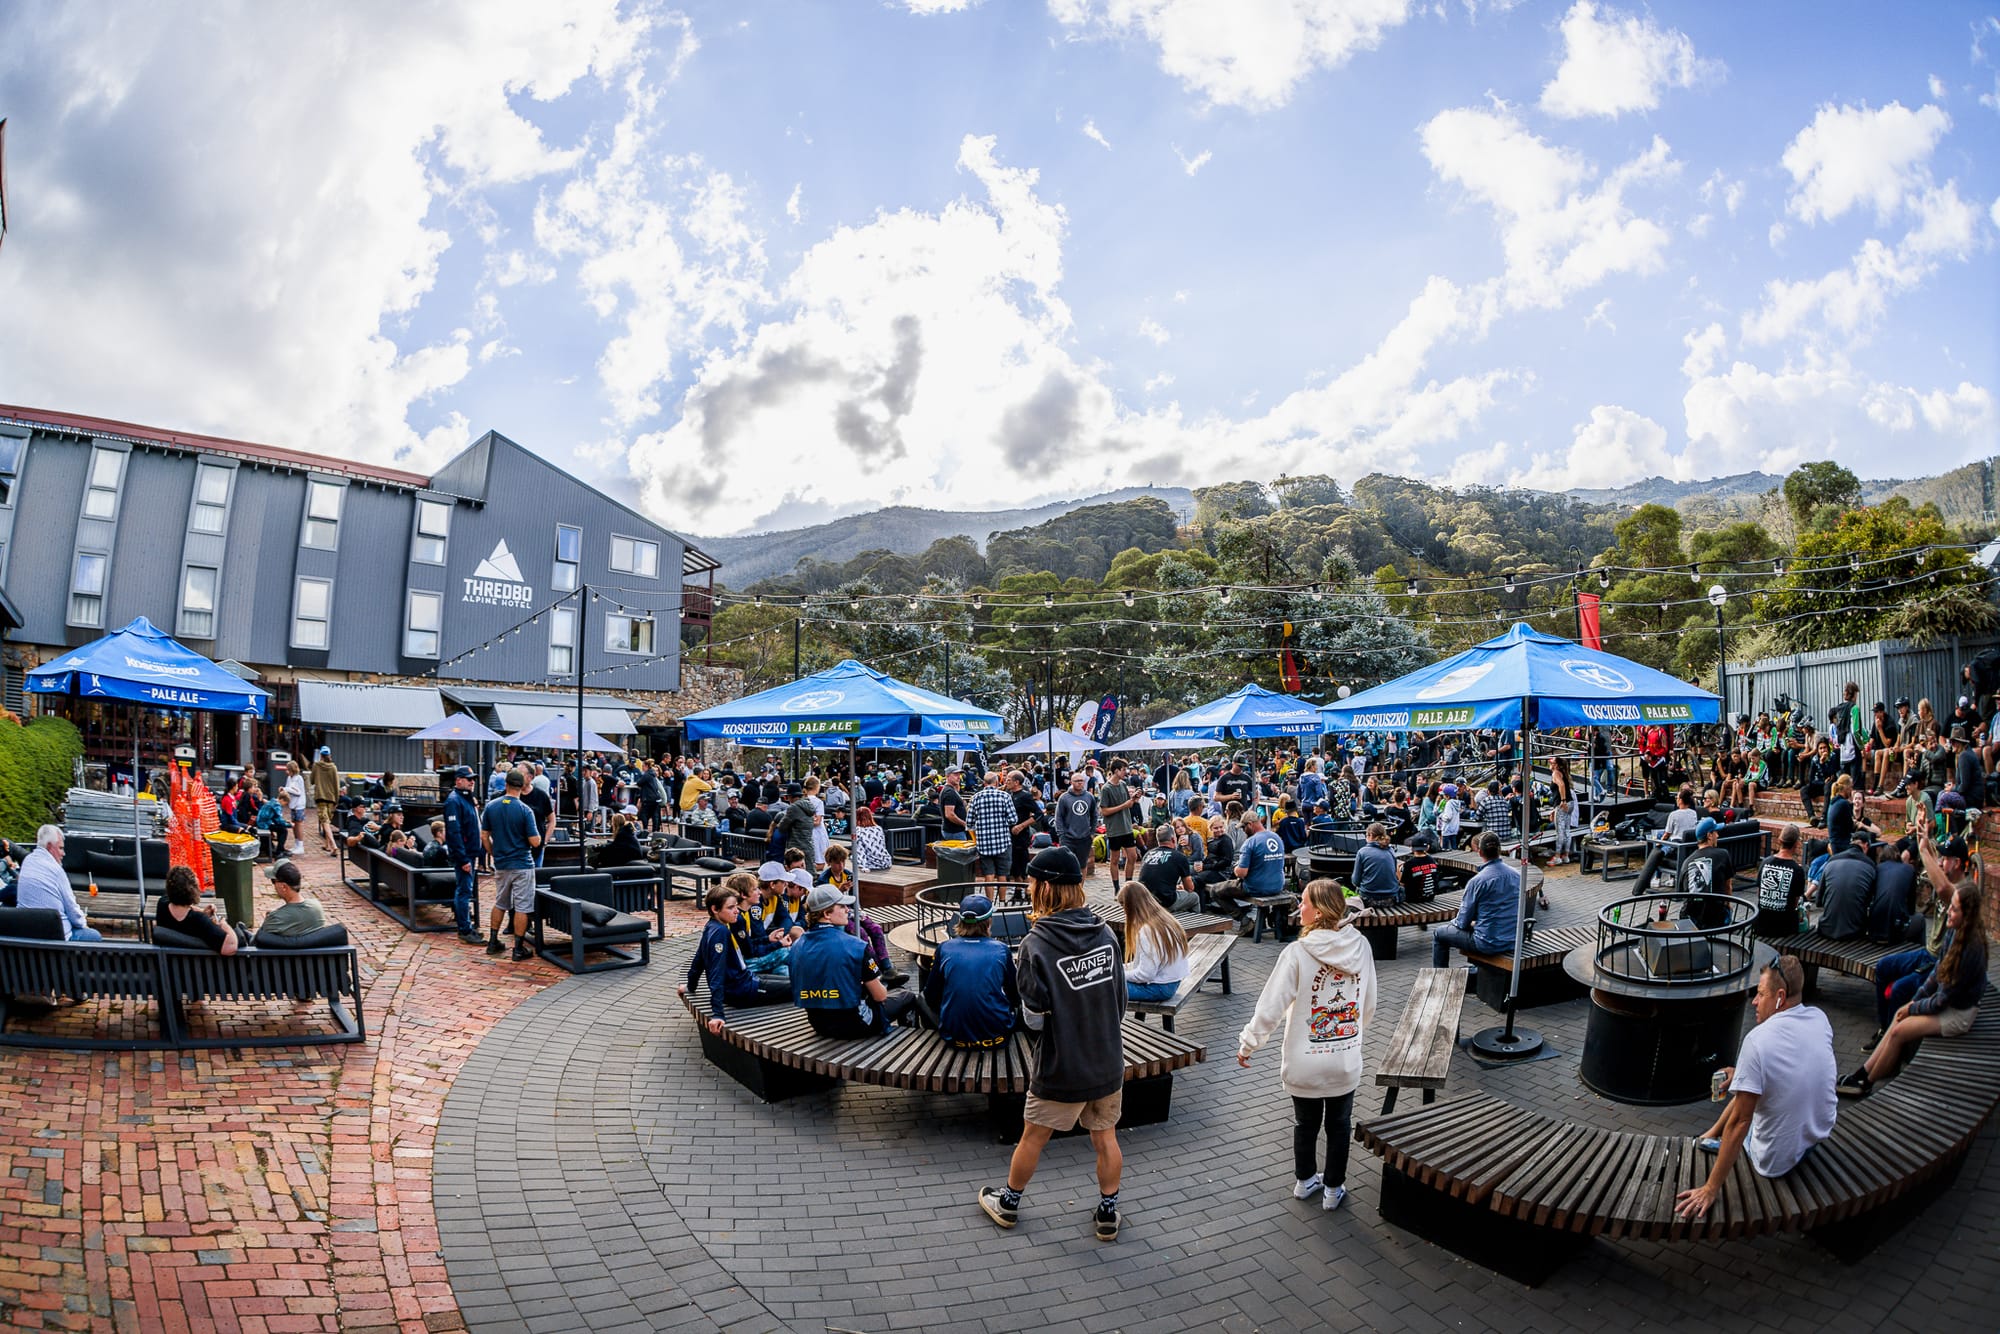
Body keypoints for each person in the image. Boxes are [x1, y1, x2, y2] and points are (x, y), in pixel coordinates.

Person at [977, 847, 1127, 1240]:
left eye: (1031, 882)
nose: (1028, 888)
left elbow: (1033, 1017)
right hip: (1107, 1058)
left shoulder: (1036, 944)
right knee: (1105, 1137)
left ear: (1045, 888)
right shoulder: (1106, 933)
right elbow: (1120, 1002)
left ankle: (1008, 1203)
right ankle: (1108, 1212)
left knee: (1033, 1136)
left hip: (1062, 1064)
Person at [1236, 877, 1377, 1211]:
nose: (1299, 907)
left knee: (1305, 1123)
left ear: (1320, 911)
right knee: (1339, 1125)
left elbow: (1271, 1007)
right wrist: (1351, 1036)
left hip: (1305, 1059)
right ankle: (1333, 1189)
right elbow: (1368, 1002)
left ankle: (1304, 1181)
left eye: (1304, 902)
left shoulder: (1297, 953)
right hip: (1344, 1058)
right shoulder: (1361, 947)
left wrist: (1248, 1043)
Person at [1674, 956, 1837, 1218]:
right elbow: (1790, 1067)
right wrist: (1741, 1073)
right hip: (1815, 1136)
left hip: (1776, 1159)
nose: (1754, 1002)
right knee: (1748, 1082)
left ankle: (1715, 1140)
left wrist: (1710, 1189)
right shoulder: (1819, 1018)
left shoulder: (1757, 1040)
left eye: (1761, 994)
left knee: (1745, 1102)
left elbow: (1740, 1122)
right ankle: (1709, 1135)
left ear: (1780, 997)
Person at [1840, 885, 1987, 1097]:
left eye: (1954, 909)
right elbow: (1936, 974)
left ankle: (1867, 1083)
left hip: (1958, 1013)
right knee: (1899, 1015)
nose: (1948, 912)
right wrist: (1912, 1003)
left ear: (1968, 915)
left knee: (1899, 1031)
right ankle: (1863, 1072)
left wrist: (1913, 1008)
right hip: (1947, 1002)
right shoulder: (1955, 931)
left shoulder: (1970, 949)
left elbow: (1942, 1000)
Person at [1870, 834, 1970, 1045]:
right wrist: (1923, 837)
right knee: (1883, 967)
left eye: (1945, 859)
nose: (1940, 863)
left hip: (1939, 962)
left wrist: (1923, 850)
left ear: (1957, 863)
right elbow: (1938, 874)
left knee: (1900, 989)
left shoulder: (1962, 892)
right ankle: (1884, 1028)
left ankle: (1894, 1044)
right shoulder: (1948, 878)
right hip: (1927, 952)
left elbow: (1942, 888)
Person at [788, 885, 918, 1037]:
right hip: (856, 1024)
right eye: (842, 906)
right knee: (907, 996)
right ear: (826, 914)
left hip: (819, 1024)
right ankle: (907, 1039)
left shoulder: (796, 946)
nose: (847, 910)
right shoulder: (856, 946)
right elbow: (880, 996)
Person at [678, 884, 791, 1031]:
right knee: (800, 987)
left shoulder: (712, 926)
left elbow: (698, 960)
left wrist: (690, 986)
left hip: (748, 980)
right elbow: (716, 972)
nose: (737, 911)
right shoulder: (720, 933)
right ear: (715, 909)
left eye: (736, 906)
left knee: (794, 980)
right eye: (731, 907)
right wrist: (718, 1014)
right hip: (742, 991)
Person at [923, 892, 1018, 1047]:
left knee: (921, 998)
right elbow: (1015, 995)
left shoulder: (944, 948)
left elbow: (931, 995)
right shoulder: (1001, 949)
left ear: (960, 921)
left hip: (954, 1038)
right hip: (997, 1037)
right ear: (989, 922)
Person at [1432, 832, 1519, 970]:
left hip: (1488, 942)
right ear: (1499, 850)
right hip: (1513, 938)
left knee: (1440, 934)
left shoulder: (1478, 881)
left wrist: (1454, 923)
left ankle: (1440, 976)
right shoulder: (1517, 875)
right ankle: (1476, 970)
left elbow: (1462, 921)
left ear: (1479, 852)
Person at [481, 770, 542, 961]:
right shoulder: (525, 810)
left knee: (501, 902)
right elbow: (535, 842)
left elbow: (484, 836)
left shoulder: (491, 806)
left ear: (506, 784)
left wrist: (493, 852)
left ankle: (493, 942)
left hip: (501, 863)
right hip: (522, 863)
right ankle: (518, 948)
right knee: (522, 906)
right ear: (522, 787)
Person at [15, 826, 101, 941]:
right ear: (49, 846)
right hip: (56, 937)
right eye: (60, 848)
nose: (63, 853)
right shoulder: (56, 870)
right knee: (94, 935)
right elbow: (72, 910)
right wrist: (84, 924)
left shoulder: (27, 861)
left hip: (27, 933)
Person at [1120, 882, 1190, 1003]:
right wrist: (1118, 968)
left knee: (1102, 987)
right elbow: (1144, 965)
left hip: (1159, 988)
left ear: (1130, 906)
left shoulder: (1147, 931)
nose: (1124, 912)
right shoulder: (1165, 919)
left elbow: (1145, 975)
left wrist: (1117, 974)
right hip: (1172, 982)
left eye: (1123, 906)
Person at [439, 766, 483, 945]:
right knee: (464, 891)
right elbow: (454, 832)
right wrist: (463, 858)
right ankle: (464, 929)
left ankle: (467, 926)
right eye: (468, 779)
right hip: (464, 854)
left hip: (471, 852)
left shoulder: (465, 798)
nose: (472, 782)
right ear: (458, 780)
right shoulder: (454, 801)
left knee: (466, 890)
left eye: (473, 779)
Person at [1222, 811, 1287, 931]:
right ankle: (1263, 921)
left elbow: (1242, 873)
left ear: (1250, 825)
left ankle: (1244, 920)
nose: (1243, 831)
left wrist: (1235, 868)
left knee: (1215, 890)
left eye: (1243, 827)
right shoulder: (1276, 838)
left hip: (1256, 888)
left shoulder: (1250, 842)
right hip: (1278, 885)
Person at [1812, 831, 1878, 942]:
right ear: (1866, 845)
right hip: (1855, 932)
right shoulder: (1870, 865)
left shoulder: (1832, 860)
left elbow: (1818, 901)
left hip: (1826, 929)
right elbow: (1870, 901)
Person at [1674, 818, 1738, 928]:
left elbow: (1684, 894)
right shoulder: (1723, 854)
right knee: (1727, 910)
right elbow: (1728, 887)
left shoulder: (1687, 862)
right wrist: (1728, 905)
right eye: (1716, 832)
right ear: (1709, 835)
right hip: (1716, 918)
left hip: (1693, 919)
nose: (1718, 835)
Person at [1753, 824, 1808, 937]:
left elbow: (1759, 894)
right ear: (1797, 843)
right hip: (1784, 928)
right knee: (1805, 914)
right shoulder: (1797, 870)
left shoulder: (1765, 862)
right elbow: (1795, 903)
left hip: (1761, 924)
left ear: (1779, 840)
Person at [255, 859, 328, 938]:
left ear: (284, 887)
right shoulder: (316, 907)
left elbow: (256, 941)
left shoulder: (276, 918)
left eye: (273, 881)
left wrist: (269, 919)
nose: (274, 886)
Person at [968, 770, 1016, 883]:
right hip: (1003, 841)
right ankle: (1002, 895)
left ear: (984, 783)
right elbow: (1013, 819)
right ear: (997, 782)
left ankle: (989, 895)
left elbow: (969, 823)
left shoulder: (975, 797)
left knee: (988, 874)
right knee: (1002, 874)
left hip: (983, 843)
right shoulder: (1005, 796)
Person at [1136, 829, 1200, 912]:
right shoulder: (1179, 856)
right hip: (1165, 902)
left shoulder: (1148, 854)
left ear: (1158, 840)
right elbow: (1189, 888)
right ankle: (1193, 920)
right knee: (1194, 897)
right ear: (1173, 839)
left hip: (1145, 901)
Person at [1052, 771, 1100, 881]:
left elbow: (1094, 815)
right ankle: (1068, 887)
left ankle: (1080, 888)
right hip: (1068, 838)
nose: (1080, 783)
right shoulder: (1064, 798)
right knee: (1067, 864)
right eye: (1077, 781)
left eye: (1081, 781)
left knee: (1082, 865)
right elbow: (1058, 817)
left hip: (1085, 837)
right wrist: (1061, 835)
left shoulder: (1089, 796)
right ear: (1071, 782)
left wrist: (1092, 832)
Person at [1350, 821, 1401, 909]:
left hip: (1368, 899)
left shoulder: (1362, 852)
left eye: (1366, 835)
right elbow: (1394, 872)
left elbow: (1355, 881)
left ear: (1370, 835)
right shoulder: (1390, 850)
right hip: (1390, 899)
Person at [310, 747, 342, 853]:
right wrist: (337, 799)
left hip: (321, 797)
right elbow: (336, 785)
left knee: (325, 821)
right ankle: (327, 845)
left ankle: (333, 845)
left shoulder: (316, 766)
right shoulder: (333, 767)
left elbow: (311, 780)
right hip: (331, 798)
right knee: (327, 821)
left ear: (321, 755)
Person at [849, 805, 893, 873]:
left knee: (852, 856)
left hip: (871, 863)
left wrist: (862, 866)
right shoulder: (878, 828)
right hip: (885, 861)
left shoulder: (857, 830)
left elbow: (859, 849)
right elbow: (882, 846)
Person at [282, 760, 309, 856]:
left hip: (299, 804)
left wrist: (286, 789)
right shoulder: (289, 778)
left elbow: (298, 792)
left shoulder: (298, 778)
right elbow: (288, 788)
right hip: (293, 804)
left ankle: (300, 845)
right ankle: (296, 844)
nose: (286, 771)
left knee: (299, 824)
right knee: (294, 824)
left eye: (288, 770)